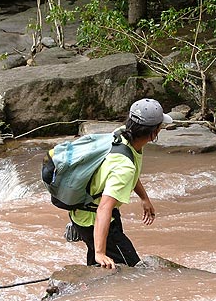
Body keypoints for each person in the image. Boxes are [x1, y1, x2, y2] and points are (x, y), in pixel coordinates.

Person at [64, 98, 173, 269]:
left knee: (100, 267)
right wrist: (100, 251)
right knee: (134, 271)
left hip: (85, 213)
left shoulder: (122, 135)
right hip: (93, 218)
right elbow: (104, 207)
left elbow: (130, 171)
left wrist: (144, 198)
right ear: (153, 134)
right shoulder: (124, 165)